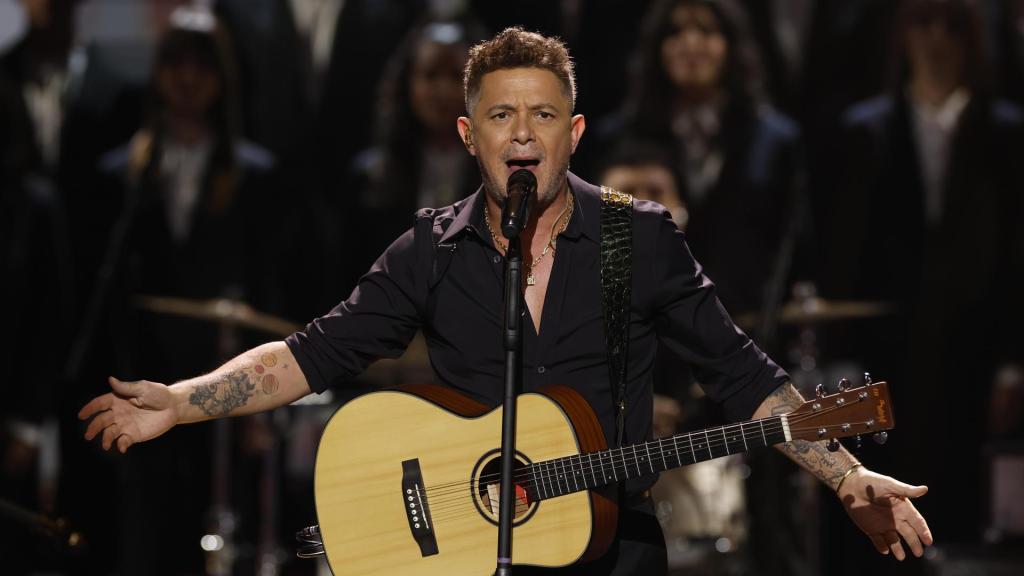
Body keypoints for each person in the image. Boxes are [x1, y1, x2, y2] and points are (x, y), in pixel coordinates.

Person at [79, 27, 932, 575]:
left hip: (610, 550)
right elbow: (308, 355)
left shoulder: (639, 238)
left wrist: (848, 476)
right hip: (457, 547)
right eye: (500, 115)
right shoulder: (429, 248)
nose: (523, 132)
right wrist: (182, 403)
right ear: (467, 135)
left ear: (574, 132)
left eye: (543, 115)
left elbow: (744, 375)